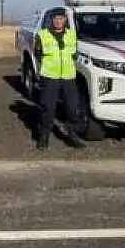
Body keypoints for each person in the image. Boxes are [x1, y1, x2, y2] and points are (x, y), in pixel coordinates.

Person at [33, 8, 85, 150]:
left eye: (61, 18)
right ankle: (44, 136)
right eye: (55, 18)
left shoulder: (72, 35)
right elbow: (37, 53)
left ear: (65, 20)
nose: (58, 21)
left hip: (68, 77)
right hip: (50, 77)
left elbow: (74, 54)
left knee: (72, 108)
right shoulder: (42, 35)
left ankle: (72, 134)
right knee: (48, 108)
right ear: (51, 20)